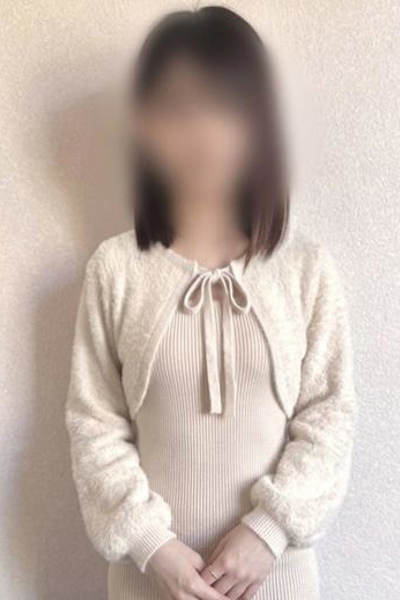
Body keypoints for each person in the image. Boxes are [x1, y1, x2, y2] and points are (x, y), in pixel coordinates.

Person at [66, 7, 357, 600]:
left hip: (278, 581)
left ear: (258, 123)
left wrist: (268, 531)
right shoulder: (116, 269)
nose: (203, 132)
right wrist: (152, 545)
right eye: (177, 107)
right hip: (148, 583)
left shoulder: (305, 269)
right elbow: (94, 425)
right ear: (145, 125)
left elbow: (329, 419)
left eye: (225, 105)